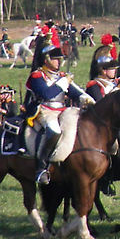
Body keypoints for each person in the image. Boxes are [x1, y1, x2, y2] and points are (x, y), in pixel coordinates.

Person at [24, 34, 95, 184]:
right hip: (44, 110)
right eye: (55, 58)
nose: (59, 61)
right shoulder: (37, 76)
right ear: (46, 59)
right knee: (54, 131)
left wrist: (85, 98)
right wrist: (64, 82)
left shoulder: (61, 76)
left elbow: (75, 92)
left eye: (60, 59)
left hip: (63, 110)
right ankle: (41, 167)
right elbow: (46, 93)